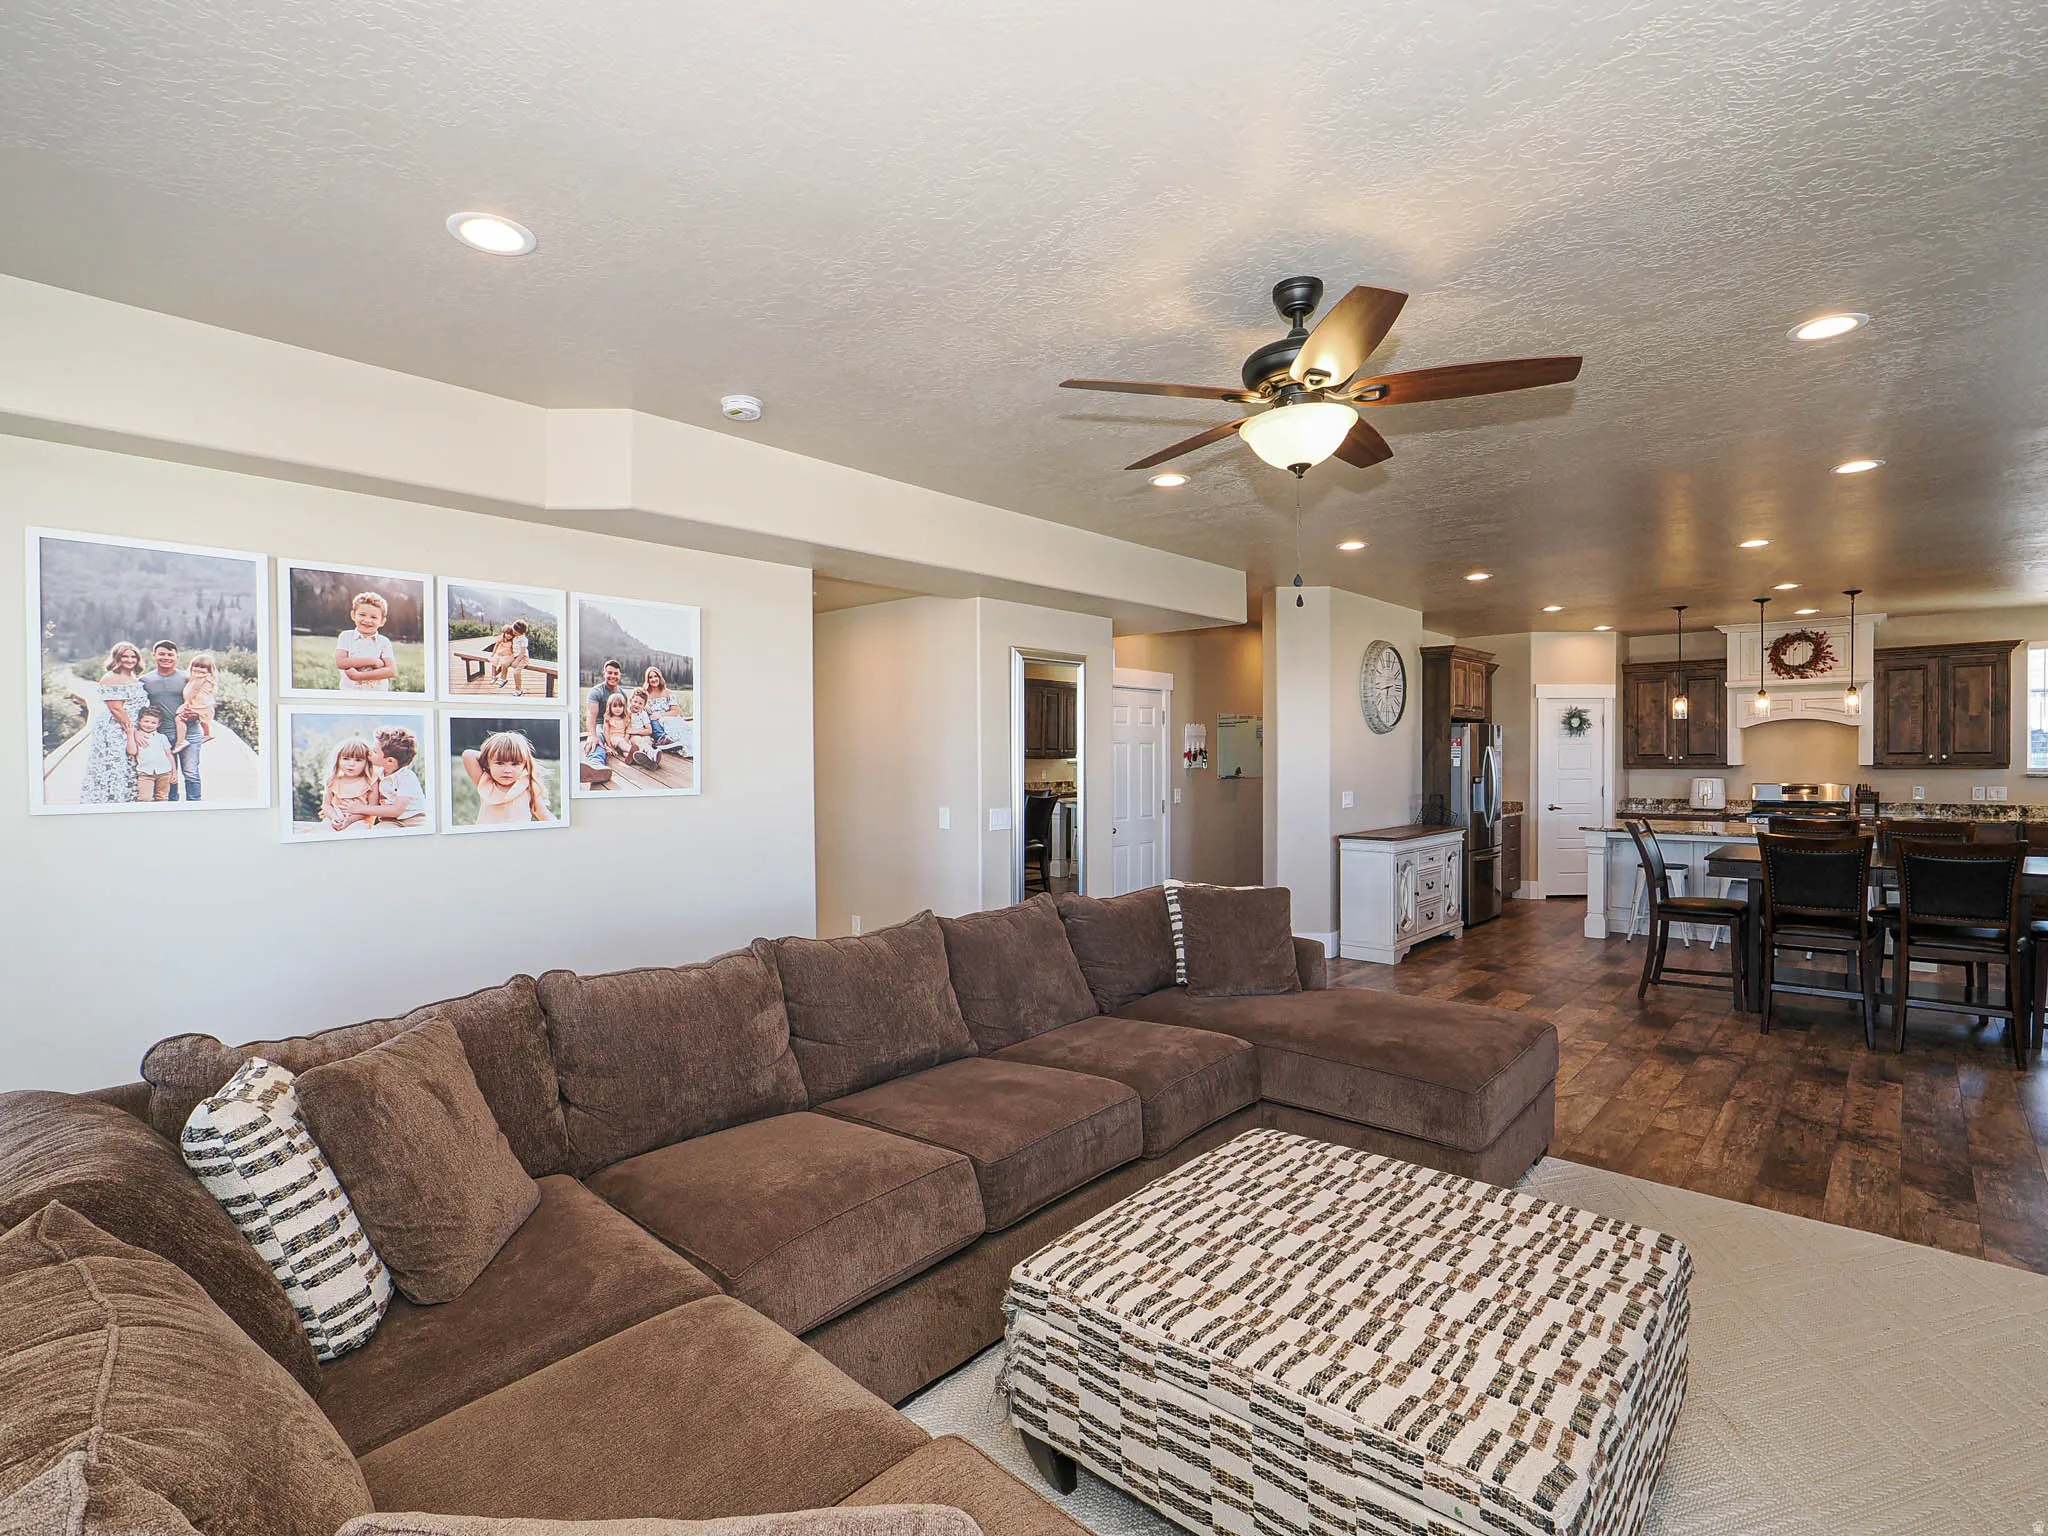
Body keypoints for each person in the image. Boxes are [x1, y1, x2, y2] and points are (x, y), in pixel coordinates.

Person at [79, 642, 147, 806]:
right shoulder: (111, 678)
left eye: (133, 656)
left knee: (130, 764)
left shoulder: (133, 677)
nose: (130, 660)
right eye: (125, 656)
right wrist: (133, 731)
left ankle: (127, 799)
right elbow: (116, 709)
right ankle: (111, 800)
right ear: (117, 658)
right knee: (115, 763)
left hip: (131, 725)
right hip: (116, 727)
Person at [140, 641, 200, 802]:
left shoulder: (188, 678)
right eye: (162, 654)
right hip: (162, 735)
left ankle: (195, 806)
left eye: (170, 654)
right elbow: (136, 706)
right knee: (166, 772)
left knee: (191, 772)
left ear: (176, 657)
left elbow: (203, 702)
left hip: (190, 733)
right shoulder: (145, 680)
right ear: (154, 656)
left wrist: (196, 714)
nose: (166, 657)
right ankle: (172, 804)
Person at [462, 730, 552, 825]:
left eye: (515, 764)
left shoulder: (527, 787)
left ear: (524, 765)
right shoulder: (485, 782)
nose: (507, 770)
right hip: (488, 838)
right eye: (500, 763)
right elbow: (468, 754)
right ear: (487, 763)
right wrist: (490, 755)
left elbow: (545, 815)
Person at [334, 591, 397, 692]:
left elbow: (391, 671)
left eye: (374, 617)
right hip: (349, 692)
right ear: (353, 615)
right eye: (362, 615)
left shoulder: (384, 642)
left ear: (382, 621)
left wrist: (360, 676)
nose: (367, 620)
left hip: (377, 694)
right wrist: (373, 661)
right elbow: (341, 662)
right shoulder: (346, 636)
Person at [367, 726, 427, 827]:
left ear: (390, 761)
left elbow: (397, 810)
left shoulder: (406, 777)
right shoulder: (378, 774)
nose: (370, 753)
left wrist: (360, 808)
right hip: (390, 820)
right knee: (379, 832)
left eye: (375, 752)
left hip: (414, 820)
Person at [321, 737, 380, 830]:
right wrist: (335, 818)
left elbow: (373, 808)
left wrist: (349, 820)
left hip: (359, 820)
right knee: (324, 829)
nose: (351, 764)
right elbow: (326, 805)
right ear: (338, 760)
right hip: (335, 817)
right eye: (346, 758)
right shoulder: (332, 780)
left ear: (366, 762)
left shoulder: (371, 780)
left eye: (358, 760)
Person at [175, 651, 218, 758]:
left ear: (209, 670)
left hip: (198, 704)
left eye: (203, 668)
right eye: (196, 666)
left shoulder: (200, 679)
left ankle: (180, 741)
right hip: (205, 705)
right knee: (204, 721)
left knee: (179, 718)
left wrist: (187, 703)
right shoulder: (207, 678)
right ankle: (207, 734)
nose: (198, 669)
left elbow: (193, 691)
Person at [131, 707, 179, 801]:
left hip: (164, 772)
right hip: (145, 773)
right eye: (146, 721)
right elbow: (131, 751)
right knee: (144, 798)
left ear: (159, 724)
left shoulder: (161, 737)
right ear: (139, 721)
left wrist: (174, 772)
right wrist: (131, 734)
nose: (149, 725)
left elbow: (169, 755)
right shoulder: (137, 737)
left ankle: (161, 815)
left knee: (162, 797)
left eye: (153, 723)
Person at [584, 657, 625, 737]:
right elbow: (591, 718)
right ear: (604, 674)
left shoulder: (622, 694)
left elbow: (626, 714)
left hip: (618, 726)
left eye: (616, 673)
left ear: (620, 675)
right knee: (597, 743)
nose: (613, 676)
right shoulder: (596, 692)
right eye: (610, 673)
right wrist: (593, 736)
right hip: (601, 725)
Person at [487, 624, 517, 689]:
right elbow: (496, 646)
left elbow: (513, 650)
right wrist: (493, 653)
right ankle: (493, 677)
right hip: (499, 653)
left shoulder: (512, 641)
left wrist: (513, 657)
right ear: (504, 633)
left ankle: (495, 674)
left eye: (511, 635)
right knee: (494, 661)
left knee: (503, 664)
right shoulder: (501, 638)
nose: (509, 636)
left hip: (507, 655)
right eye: (507, 634)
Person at [509, 619, 531, 694]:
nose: (513, 631)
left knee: (516, 672)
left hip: (523, 658)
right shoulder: (516, 637)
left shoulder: (523, 639)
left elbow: (522, 653)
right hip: (515, 655)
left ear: (518, 632)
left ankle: (518, 690)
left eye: (515, 631)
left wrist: (516, 661)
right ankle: (502, 678)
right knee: (504, 663)